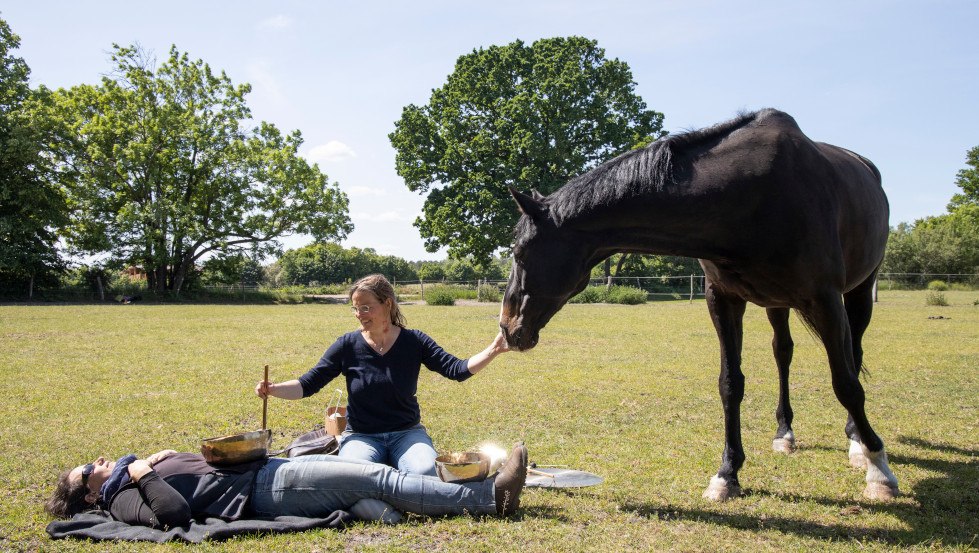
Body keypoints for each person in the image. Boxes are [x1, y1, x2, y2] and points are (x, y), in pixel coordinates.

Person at [256, 274, 509, 476]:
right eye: (355, 308)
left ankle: (387, 488)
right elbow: (308, 384)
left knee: (424, 472)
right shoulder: (347, 345)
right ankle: (394, 490)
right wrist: (274, 388)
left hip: (407, 434)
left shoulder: (414, 341)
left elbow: (457, 370)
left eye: (366, 307)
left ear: (387, 304)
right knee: (353, 476)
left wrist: (495, 349)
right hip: (361, 437)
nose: (359, 314)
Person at [45, 443, 528, 527]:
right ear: (90, 494)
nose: (95, 464)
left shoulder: (132, 471)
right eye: (87, 472)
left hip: (264, 472)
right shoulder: (123, 498)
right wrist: (146, 475)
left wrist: (162, 460)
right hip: (268, 490)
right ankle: (490, 499)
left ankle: (372, 508)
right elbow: (172, 517)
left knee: (374, 490)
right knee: (380, 476)